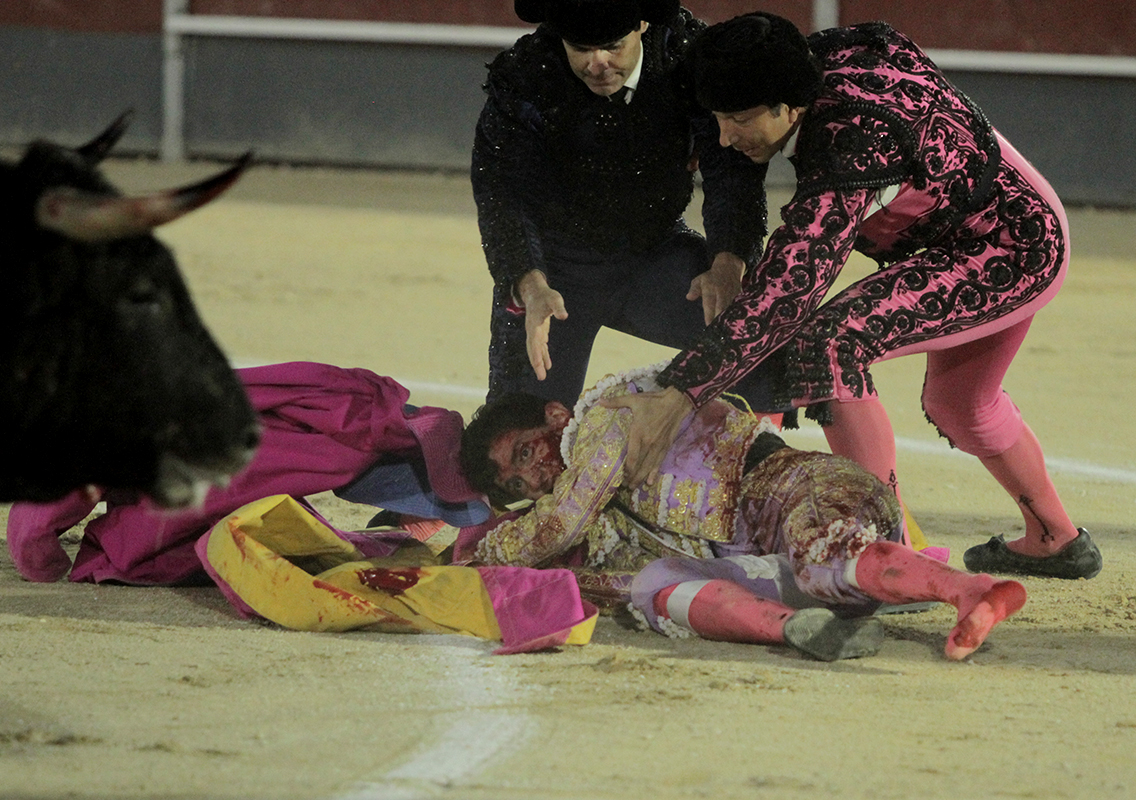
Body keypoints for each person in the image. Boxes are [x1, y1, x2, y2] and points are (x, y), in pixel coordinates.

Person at [605, 12, 1102, 580]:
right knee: (961, 404)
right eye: (717, 118)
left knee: (829, 342)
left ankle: (890, 558)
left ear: (789, 109)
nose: (722, 137)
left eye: (737, 119)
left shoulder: (851, 141)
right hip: (1003, 215)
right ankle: (1056, 538)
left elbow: (787, 293)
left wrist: (678, 393)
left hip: (1011, 248)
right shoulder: (804, 66)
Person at [456, 365, 1027, 661]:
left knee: (820, 550)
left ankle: (968, 590)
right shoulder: (603, 511)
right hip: (795, 578)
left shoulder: (609, 413)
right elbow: (607, 572)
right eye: (515, 482)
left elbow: (558, 525)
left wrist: (481, 550)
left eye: (524, 452)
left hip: (803, 489)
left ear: (556, 416)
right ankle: (796, 631)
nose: (532, 478)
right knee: (654, 585)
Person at [473, 0, 775, 410]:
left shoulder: (687, 56)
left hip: (655, 255)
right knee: (518, 436)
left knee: (762, 350)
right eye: (580, 48)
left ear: (643, 23)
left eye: (613, 46)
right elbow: (503, 190)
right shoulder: (526, 73)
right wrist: (529, 282)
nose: (597, 63)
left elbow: (730, 167)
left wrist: (729, 259)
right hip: (556, 274)